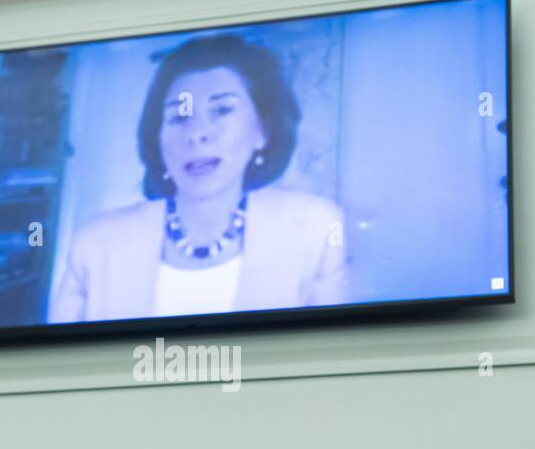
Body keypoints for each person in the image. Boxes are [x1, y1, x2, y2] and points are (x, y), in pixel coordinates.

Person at [49, 33, 347, 323]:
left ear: (262, 131)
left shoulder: (316, 230)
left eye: (222, 110)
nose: (197, 134)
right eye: (179, 117)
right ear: (157, 136)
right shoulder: (95, 244)